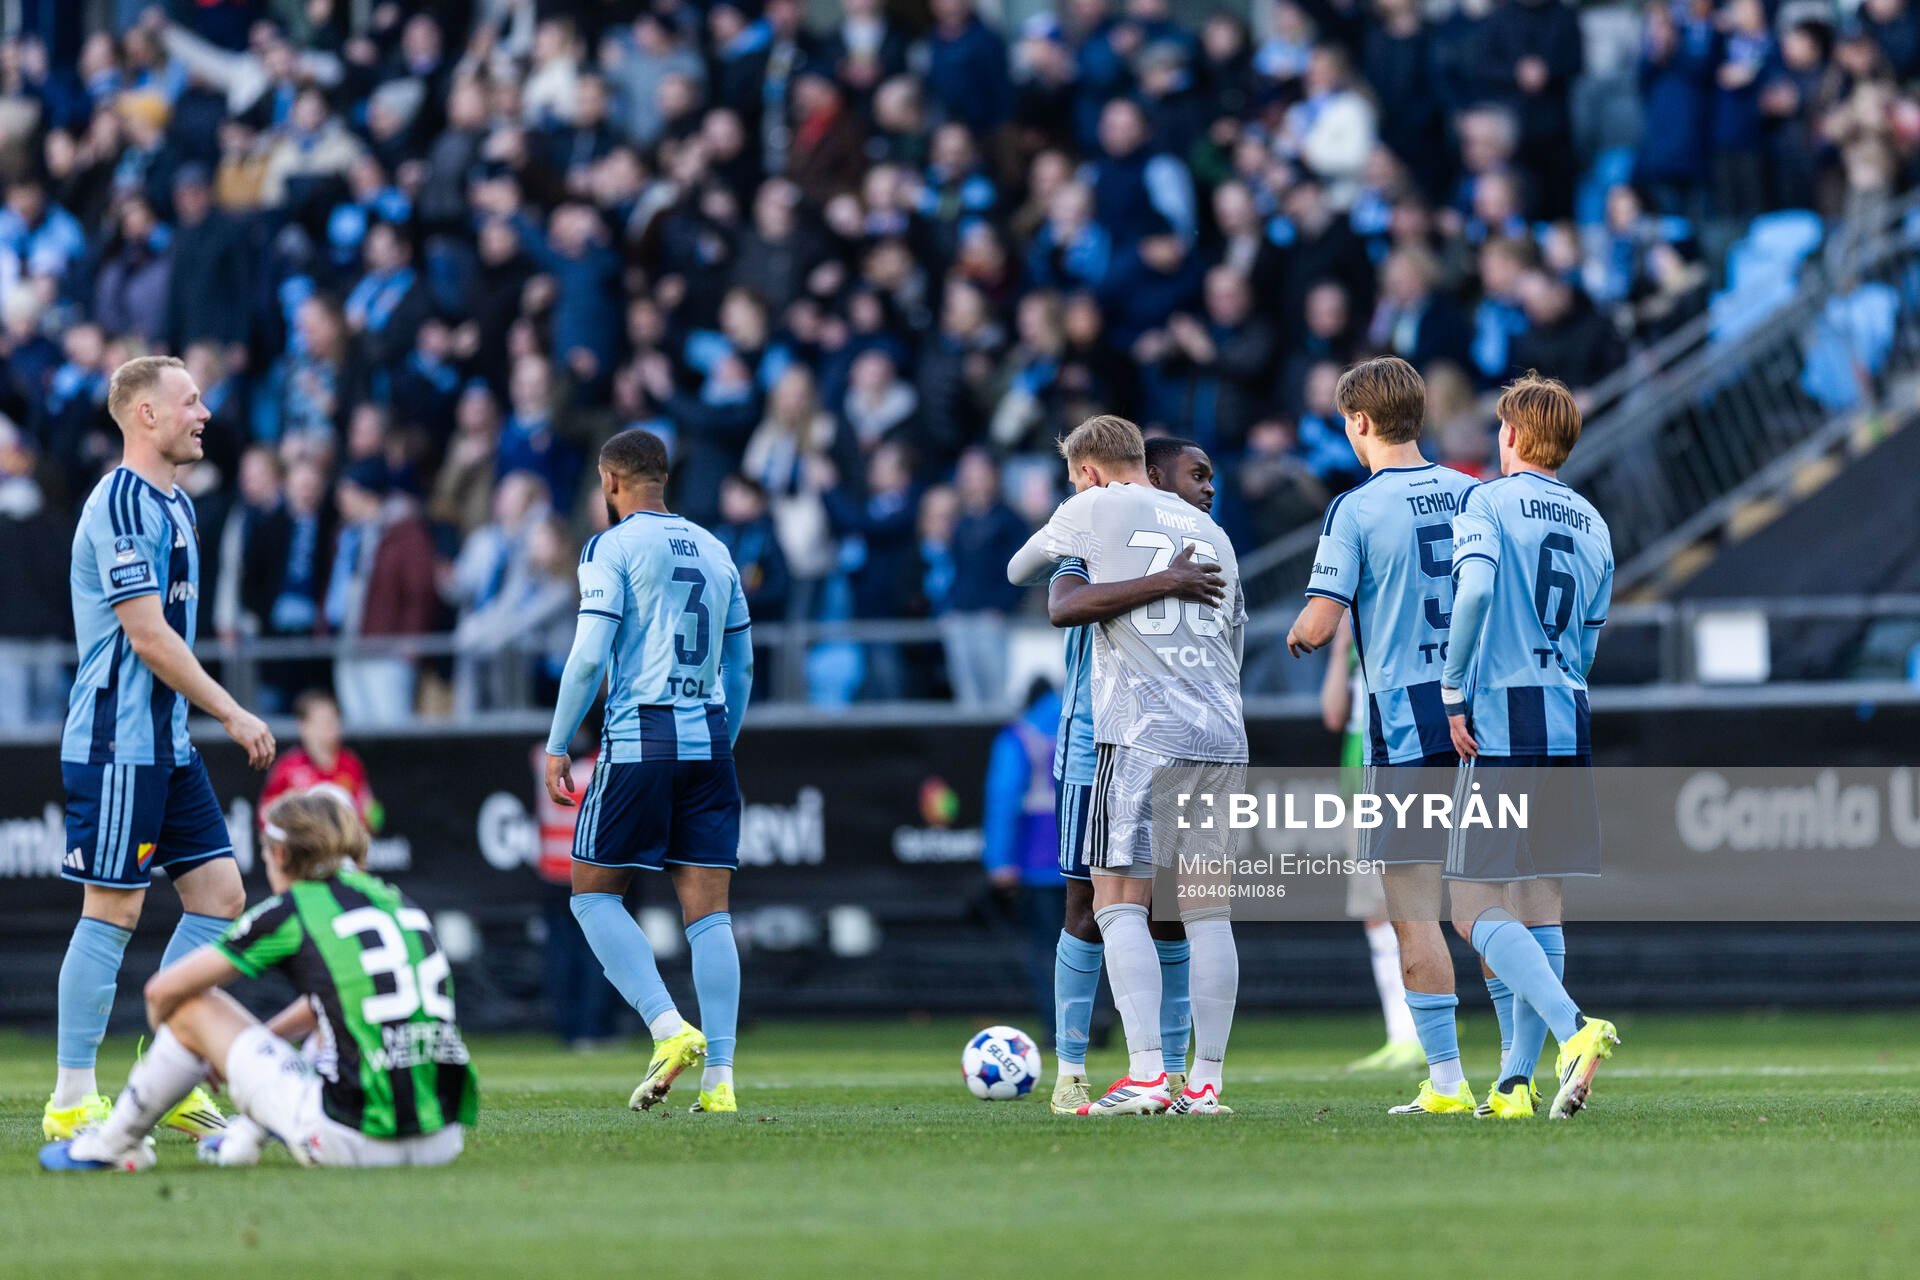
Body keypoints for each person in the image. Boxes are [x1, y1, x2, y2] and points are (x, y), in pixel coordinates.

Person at [45, 355, 276, 1144]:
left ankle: (171, 1067)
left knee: (222, 899)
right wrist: (234, 711)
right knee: (112, 909)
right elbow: (147, 635)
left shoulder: (177, 506)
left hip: (165, 745)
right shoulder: (118, 501)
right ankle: (73, 1094)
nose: (204, 412)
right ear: (145, 415)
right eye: (190, 400)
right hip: (117, 741)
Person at [1007, 416, 1247, 1115]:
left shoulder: (1097, 509)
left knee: (1121, 904)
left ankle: (1149, 1072)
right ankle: (1182, 1079)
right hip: (1217, 729)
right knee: (1191, 909)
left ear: (1087, 471)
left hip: (1134, 729)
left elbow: (1028, 577)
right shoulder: (1217, 541)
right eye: (1196, 474)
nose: (1207, 487)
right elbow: (1233, 642)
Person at [40, 790, 477, 1171]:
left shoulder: (293, 908)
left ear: (282, 855)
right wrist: (254, 1043)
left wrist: (189, 1042)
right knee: (327, 1032)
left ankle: (108, 1147)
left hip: (355, 1139)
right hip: (443, 1136)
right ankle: (239, 1141)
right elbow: (335, 1000)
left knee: (193, 1007)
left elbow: (164, 990)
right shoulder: (398, 902)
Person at [1283, 355, 1479, 1117]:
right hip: (1479, 717)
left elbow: (1320, 621)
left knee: (1412, 905)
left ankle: (1447, 1082)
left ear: (1358, 422)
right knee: (1489, 903)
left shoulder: (1355, 508)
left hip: (1404, 727)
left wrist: (1295, 637)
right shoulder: (1472, 492)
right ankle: (1529, 1064)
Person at [543, 428, 754, 1115]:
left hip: (641, 737)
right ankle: (719, 1080)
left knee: (591, 894)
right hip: (710, 740)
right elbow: (743, 666)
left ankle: (668, 1028)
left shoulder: (612, 546)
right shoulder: (718, 551)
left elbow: (587, 655)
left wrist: (556, 743)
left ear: (609, 482)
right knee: (709, 914)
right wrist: (725, 735)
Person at [1441, 371, 1619, 1120]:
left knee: (1471, 902)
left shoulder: (1486, 500)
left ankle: (1574, 1029)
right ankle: (1515, 1083)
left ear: (1509, 435)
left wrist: (1453, 689)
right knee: (1539, 898)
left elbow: (1476, 591)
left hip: (1503, 709)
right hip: (1566, 708)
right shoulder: (1593, 523)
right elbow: (1587, 641)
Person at [1320, 616, 1424, 1075]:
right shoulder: (1354, 642)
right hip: (1354, 782)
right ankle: (1401, 1033)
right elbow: (1332, 714)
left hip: (1393, 776)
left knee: (1408, 905)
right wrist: (1340, 648)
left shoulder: (1399, 627)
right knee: (1376, 912)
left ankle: (1420, 1029)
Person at [258, 690, 380, 832]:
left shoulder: (351, 764)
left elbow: (372, 814)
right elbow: (265, 815)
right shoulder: (287, 767)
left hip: (343, 847)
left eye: (334, 720)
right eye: (323, 721)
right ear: (304, 727)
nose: (331, 727)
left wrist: (370, 818)